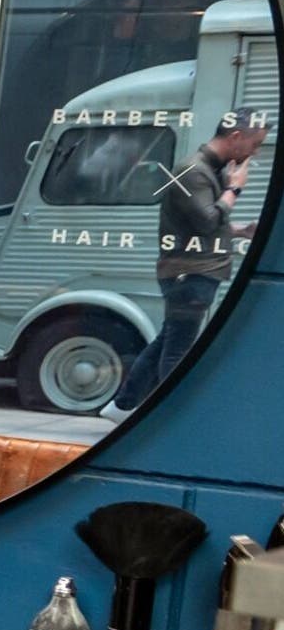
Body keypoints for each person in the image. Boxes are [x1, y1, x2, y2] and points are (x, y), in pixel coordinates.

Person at [114, 113, 264, 415]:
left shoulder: (207, 170)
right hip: (190, 275)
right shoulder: (193, 171)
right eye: (254, 143)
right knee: (178, 351)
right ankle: (168, 417)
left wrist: (239, 230)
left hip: (194, 273)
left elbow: (195, 224)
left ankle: (122, 406)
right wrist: (234, 189)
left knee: (168, 340)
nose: (255, 152)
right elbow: (208, 221)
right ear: (235, 137)